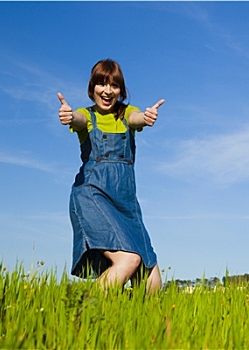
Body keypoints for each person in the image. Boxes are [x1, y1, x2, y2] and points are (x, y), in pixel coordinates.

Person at [57, 58, 165, 293]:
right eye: (101, 84)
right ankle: (79, 313)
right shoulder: (87, 116)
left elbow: (137, 121)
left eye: (113, 85)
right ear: (92, 88)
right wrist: (69, 116)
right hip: (92, 194)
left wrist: (145, 118)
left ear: (121, 91)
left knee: (151, 284)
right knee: (128, 260)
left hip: (126, 203)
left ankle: (128, 326)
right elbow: (77, 120)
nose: (107, 91)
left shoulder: (128, 114)